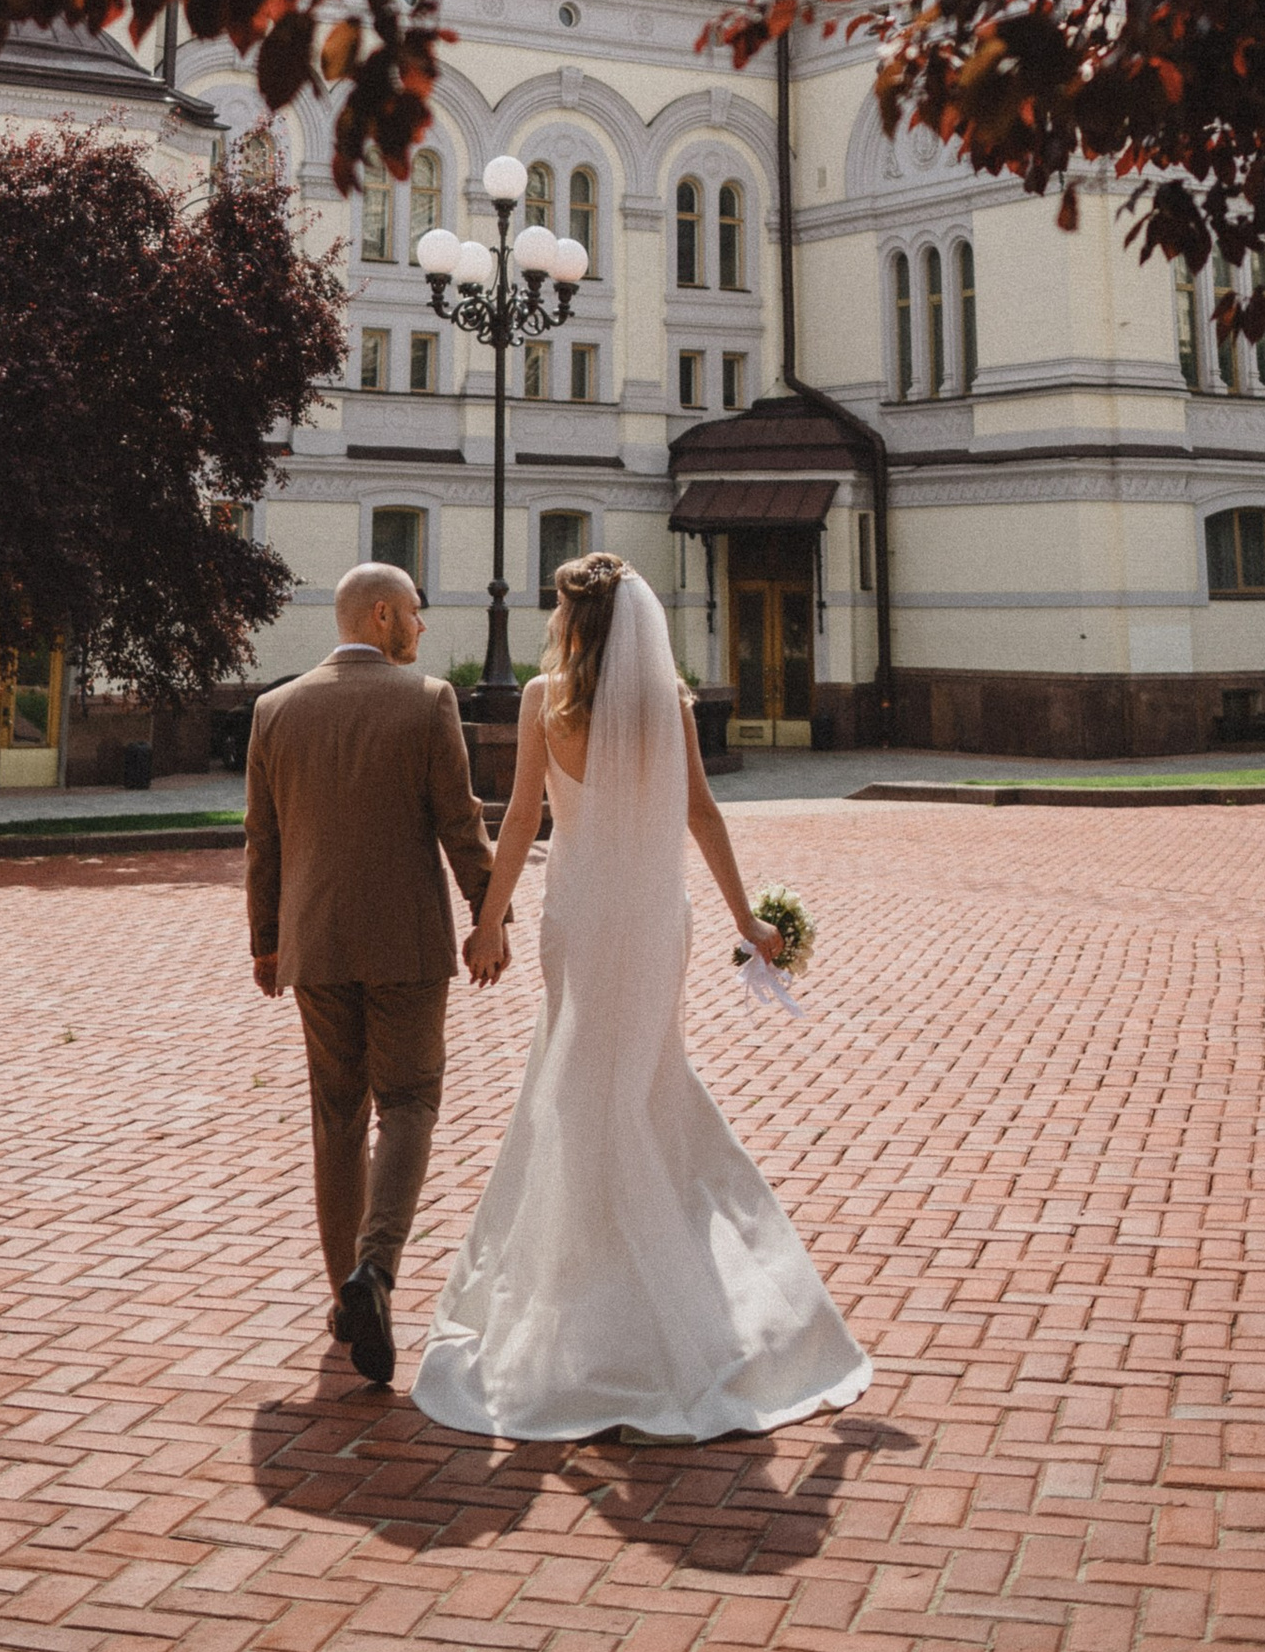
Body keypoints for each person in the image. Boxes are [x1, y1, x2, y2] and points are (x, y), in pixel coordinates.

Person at [411, 552, 870, 1443]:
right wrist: (750, 924)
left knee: (581, 1082)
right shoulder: (670, 706)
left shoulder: (548, 699)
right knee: (645, 1081)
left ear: (572, 623)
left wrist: (490, 920)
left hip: (580, 916)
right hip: (655, 918)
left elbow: (520, 817)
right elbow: (703, 813)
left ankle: (593, 1291)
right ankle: (650, 1281)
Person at [244, 558, 501, 1388]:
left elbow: (264, 841)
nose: (423, 627)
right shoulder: (426, 701)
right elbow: (459, 824)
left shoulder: (273, 709)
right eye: (417, 613)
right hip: (406, 944)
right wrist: (487, 917)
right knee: (412, 1101)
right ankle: (377, 1272)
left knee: (337, 1114)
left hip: (314, 946)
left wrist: (266, 939)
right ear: (384, 617)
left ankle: (343, 1302)